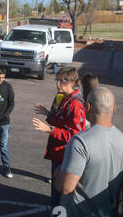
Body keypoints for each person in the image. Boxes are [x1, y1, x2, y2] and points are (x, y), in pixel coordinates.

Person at [52, 87, 123, 217]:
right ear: (114, 109)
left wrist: (58, 174)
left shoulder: (80, 141)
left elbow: (65, 187)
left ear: (88, 107)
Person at [33, 67, 86, 208]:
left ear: (73, 82)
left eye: (61, 81)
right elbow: (59, 121)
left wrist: (49, 129)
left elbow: (76, 135)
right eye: (57, 80)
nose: (57, 84)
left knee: (60, 197)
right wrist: (48, 114)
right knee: (56, 195)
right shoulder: (64, 98)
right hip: (58, 154)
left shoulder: (76, 104)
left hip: (65, 157)